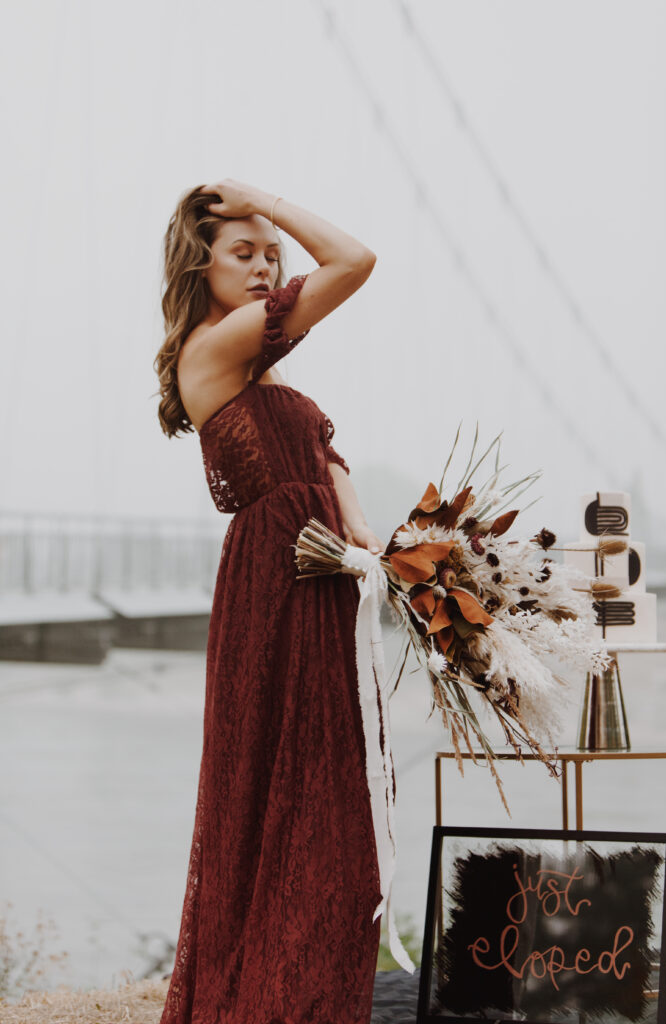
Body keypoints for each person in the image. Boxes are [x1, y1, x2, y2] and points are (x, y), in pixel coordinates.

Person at [154, 178, 388, 1024]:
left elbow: (321, 456)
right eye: (242, 253)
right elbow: (354, 261)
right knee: (286, 791)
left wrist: (370, 544)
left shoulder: (255, 365)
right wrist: (269, 198)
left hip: (317, 570)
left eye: (271, 256)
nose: (263, 268)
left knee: (325, 790)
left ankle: (308, 993)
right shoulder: (214, 347)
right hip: (277, 579)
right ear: (199, 264)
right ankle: (274, 998)